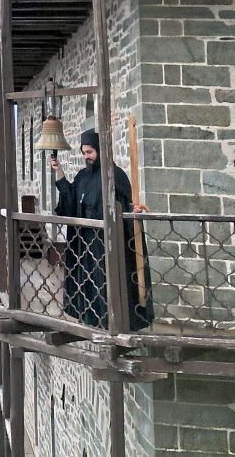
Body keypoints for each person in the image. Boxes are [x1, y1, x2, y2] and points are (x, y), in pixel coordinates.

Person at [50, 129, 152, 330]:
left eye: (89, 152)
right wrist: (59, 172)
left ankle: (112, 322)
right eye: (83, 153)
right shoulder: (82, 176)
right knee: (88, 283)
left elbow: (124, 205)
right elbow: (70, 201)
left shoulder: (115, 176)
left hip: (107, 243)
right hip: (85, 243)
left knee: (106, 282)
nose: (86, 157)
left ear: (100, 150)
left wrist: (134, 210)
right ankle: (90, 318)